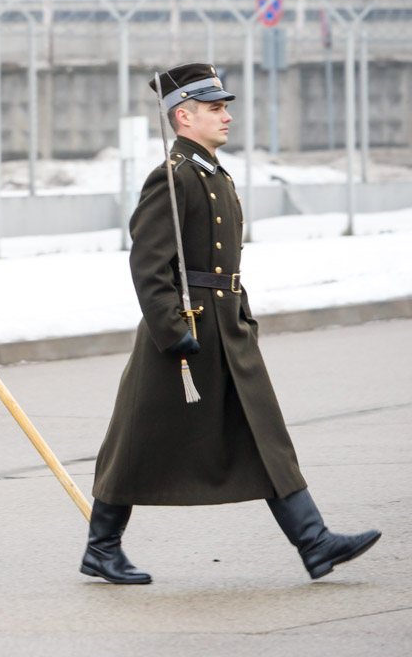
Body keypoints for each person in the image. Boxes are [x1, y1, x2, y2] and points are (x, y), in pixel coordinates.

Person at [83, 63, 381, 584]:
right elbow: (148, 262)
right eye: (215, 108)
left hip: (227, 326)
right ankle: (101, 548)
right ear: (183, 116)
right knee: (138, 439)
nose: (226, 117)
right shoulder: (173, 176)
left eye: (225, 107)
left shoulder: (211, 171)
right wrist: (171, 328)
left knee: (262, 429)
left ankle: (314, 543)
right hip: (186, 329)